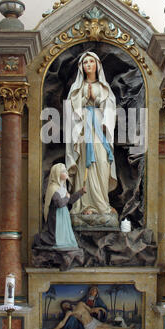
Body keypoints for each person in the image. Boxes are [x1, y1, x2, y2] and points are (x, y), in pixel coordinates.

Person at [65, 51, 117, 217]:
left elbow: (111, 109)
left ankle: (102, 204)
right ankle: (83, 206)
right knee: (84, 164)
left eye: (91, 61)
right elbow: (70, 112)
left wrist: (96, 98)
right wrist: (82, 100)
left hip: (99, 129)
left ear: (97, 65)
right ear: (81, 67)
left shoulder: (104, 88)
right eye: (85, 62)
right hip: (82, 131)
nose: (88, 64)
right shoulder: (76, 88)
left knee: (102, 161)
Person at [41, 163, 86, 249]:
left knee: (64, 233)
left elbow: (70, 200)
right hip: (56, 216)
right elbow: (60, 204)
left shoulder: (63, 188)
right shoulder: (53, 188)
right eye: (63, 171)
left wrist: (80, 192)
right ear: (57, 174)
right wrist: (66, 197)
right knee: (57, 236)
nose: (66, 172)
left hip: (63, 215)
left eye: (66, 171)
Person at [50, 300, 135, 329]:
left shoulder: (80, 304)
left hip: (94, 321)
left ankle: (127, 328)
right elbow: (62, 322)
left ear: (69, 302)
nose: (66, 306)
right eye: (64, 306)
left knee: (109, 326)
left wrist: (100, 308)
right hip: (90, 326)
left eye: (66, 304)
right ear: (65, 309)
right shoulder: (70, 313)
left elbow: (91, 310)